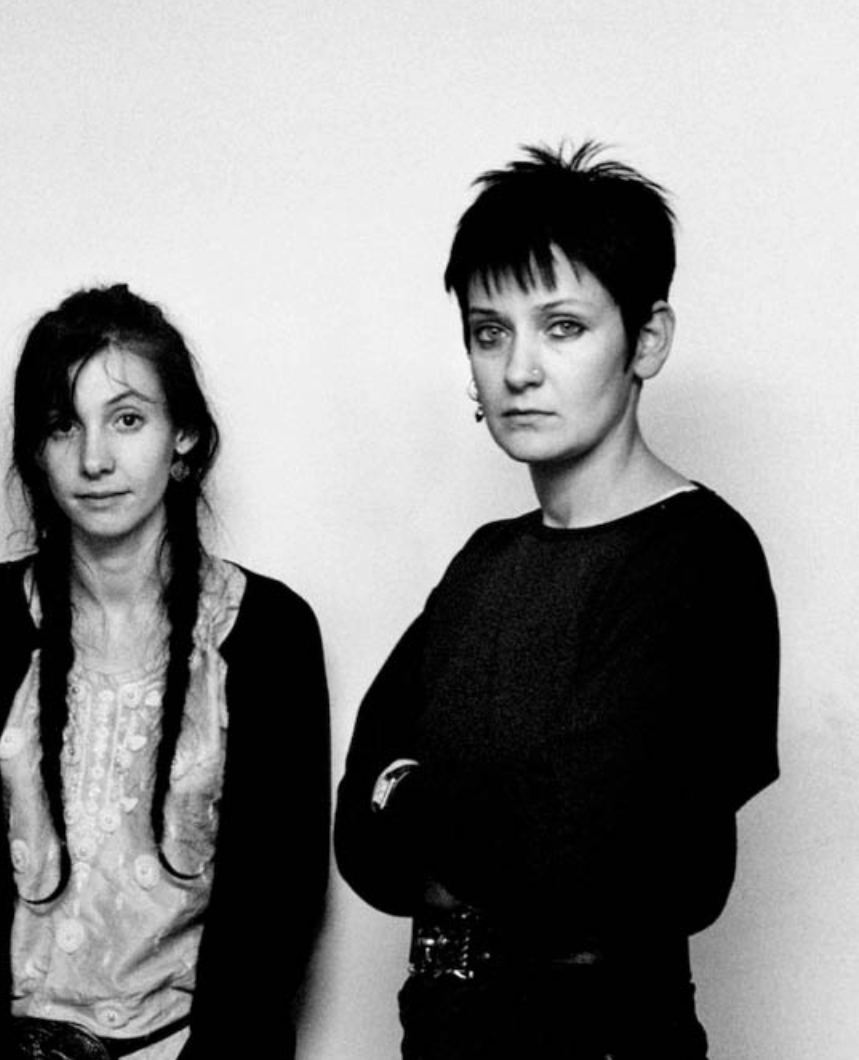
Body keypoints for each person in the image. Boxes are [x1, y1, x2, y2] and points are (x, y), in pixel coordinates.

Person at [334, 143, 780, 1058]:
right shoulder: (485, 563)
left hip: (601, 1037)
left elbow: (579, 857)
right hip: (442, 1034)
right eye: (489, 331)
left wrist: (412, 794)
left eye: (562, 327)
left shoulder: (696, 558)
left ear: (646, 339)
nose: (519, 369)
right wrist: (459, 809)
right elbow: (359, 844)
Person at [0, 285, 330, 1058]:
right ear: (35, 453)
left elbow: (279, 901)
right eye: (62, 426)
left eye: (128, 419)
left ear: (184, 438)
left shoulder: (268, 631)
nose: (95, 458)